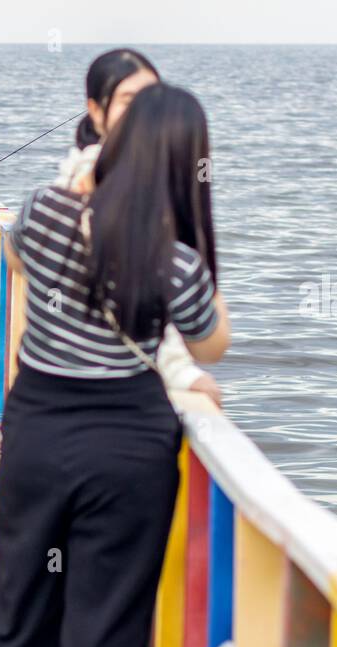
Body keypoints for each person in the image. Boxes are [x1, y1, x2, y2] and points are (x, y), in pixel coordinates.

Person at [0, 83, 230, 647]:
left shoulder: (46, 211)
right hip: (126, 441)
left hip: (38, 427)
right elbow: (211, 338)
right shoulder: (170, 255)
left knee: (19, 587)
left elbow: (20, 264)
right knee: (105, 607)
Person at [56, 48, 224, 408]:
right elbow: (132, 298)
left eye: (149, 99)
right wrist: (185, 375)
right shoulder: (96, 182)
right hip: (112, 401)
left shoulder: (75, 177)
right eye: (129, 100)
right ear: (96, 110)